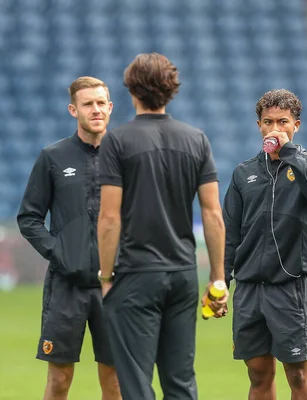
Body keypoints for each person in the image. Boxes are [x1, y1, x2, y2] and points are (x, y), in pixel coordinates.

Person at [97, 53, 228, 400]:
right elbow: (213, 214)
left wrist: (106, 277)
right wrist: (217, 278)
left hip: (136, 273)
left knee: (136, 383)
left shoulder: (117, 141)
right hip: (183, 275)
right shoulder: (196, 139)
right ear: (171, 90)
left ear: (131, 90)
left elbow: (110, 218)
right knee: (181, 381)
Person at [223, 89, 307, 399]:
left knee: (298, 374)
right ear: (258, 125)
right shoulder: (244, 173)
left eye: (282, 122)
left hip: (290, 287)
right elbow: (229, 233)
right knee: (258, 374)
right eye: (268, 122)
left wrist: (291, 155)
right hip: (248, 290)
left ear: (295, 125)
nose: (274, 129)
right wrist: (221, 281)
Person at [17, 76, 121, 400]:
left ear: (111, 107)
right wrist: (59, 252)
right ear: (73, 109)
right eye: (88, 104)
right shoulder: (53, 157)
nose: (96, 110)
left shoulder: (127, 157)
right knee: (59, 381)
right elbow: (29, 217)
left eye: (101, 103)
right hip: (66, 287)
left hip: (114, 286)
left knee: (115, 383)